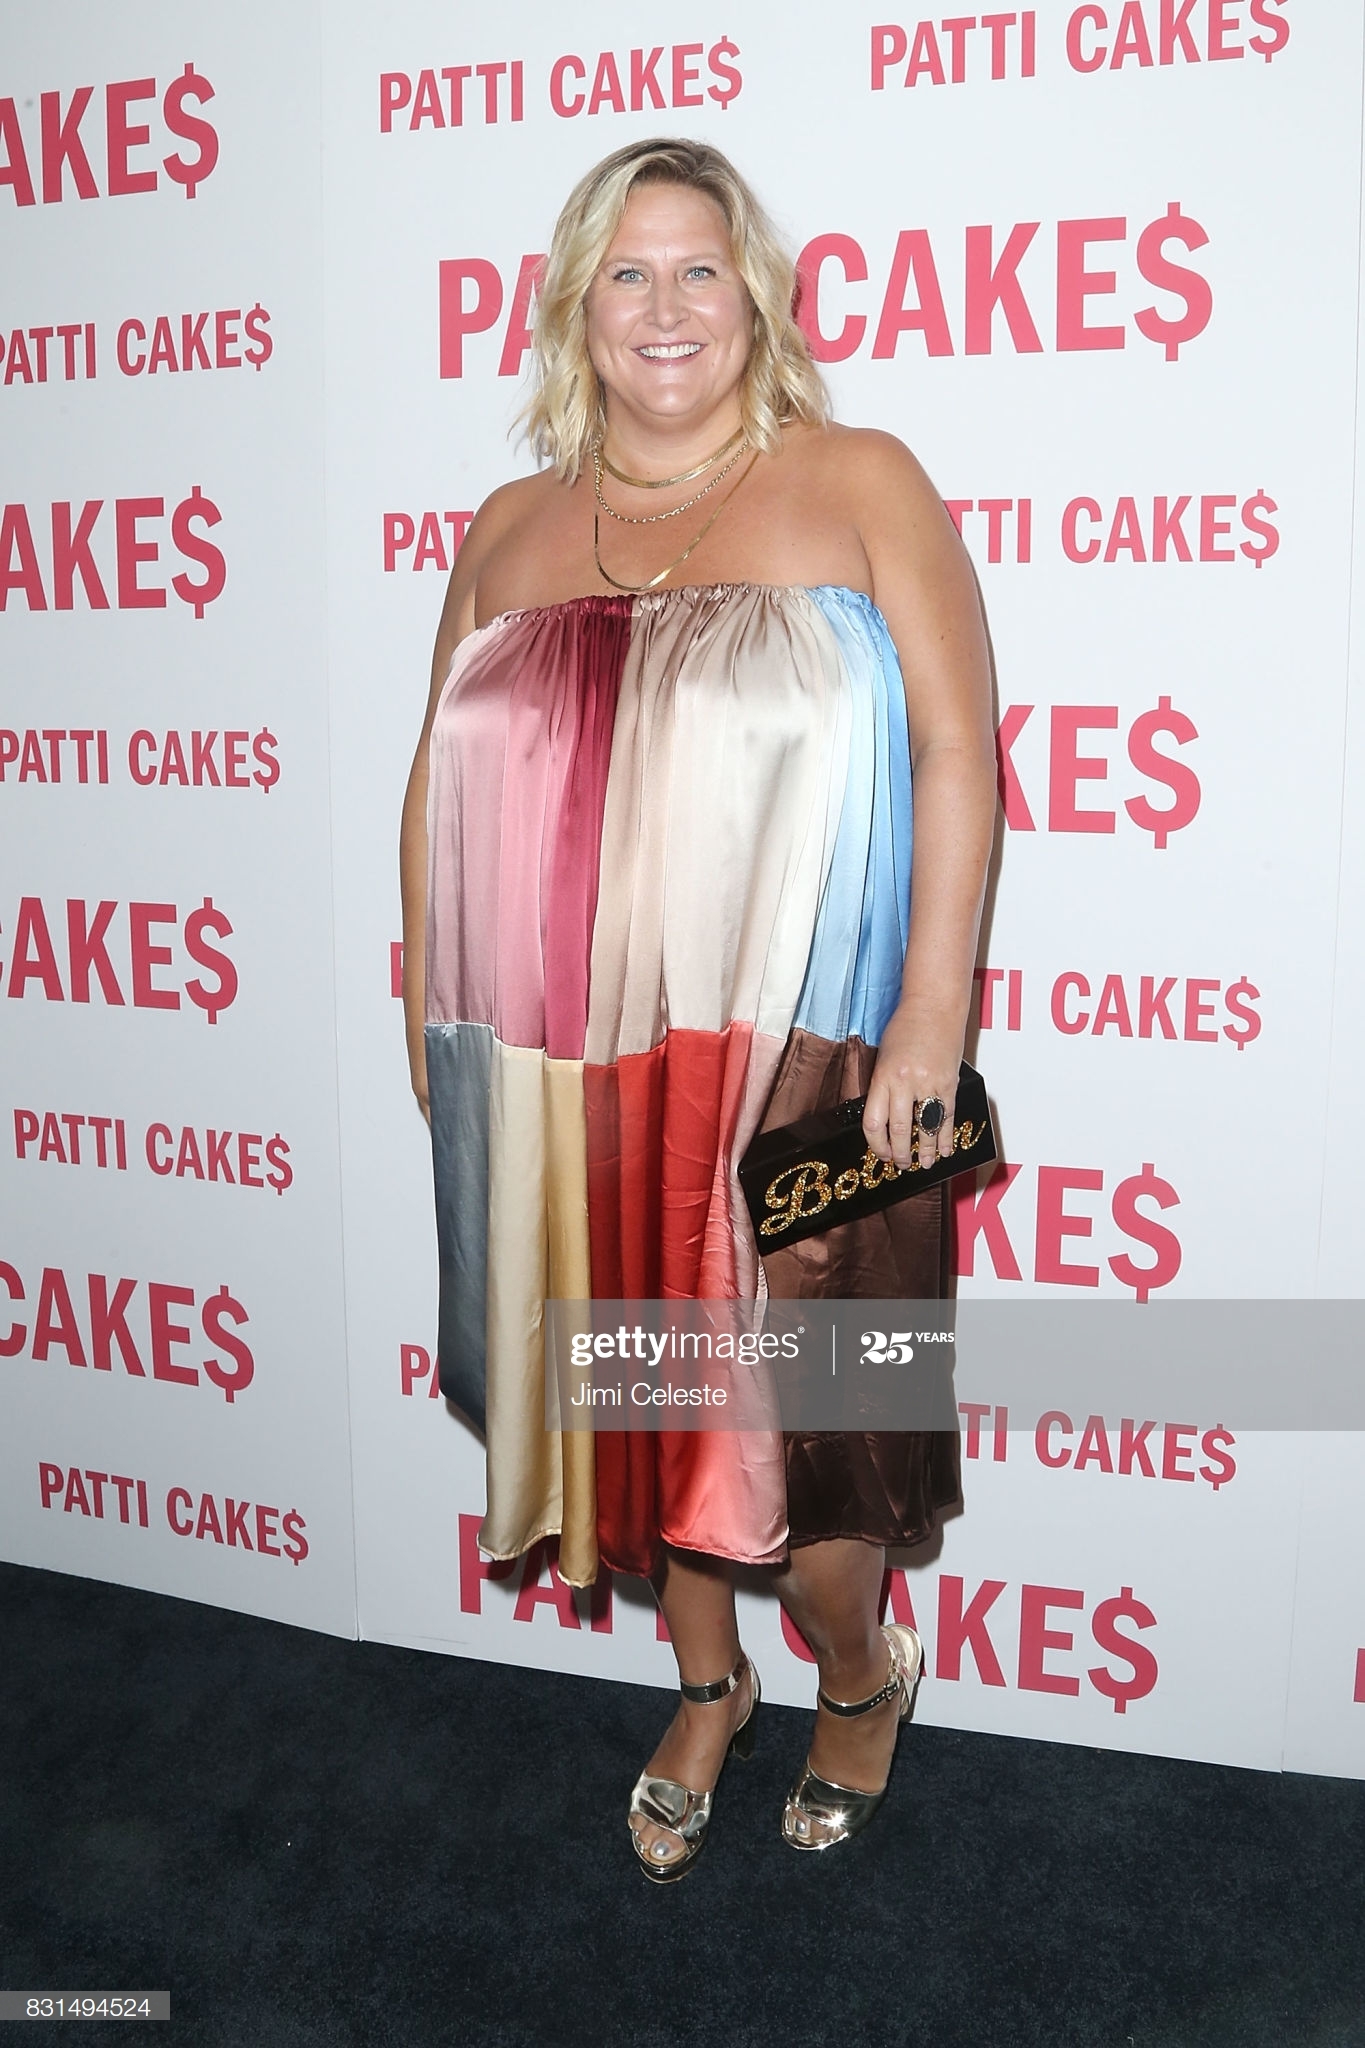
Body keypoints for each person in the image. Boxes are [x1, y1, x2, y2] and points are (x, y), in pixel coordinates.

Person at [400, 137, 995, 1881]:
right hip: (559, 1060)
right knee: (640, 1407)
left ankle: (857, 1670)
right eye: (627, 273)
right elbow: (431, 783)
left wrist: (931, 1020)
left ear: (756, 300)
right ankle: (706, 1687)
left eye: (699, 269)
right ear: (574, 309)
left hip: (819, 1054)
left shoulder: (857, 479)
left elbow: (956, 750)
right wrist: (429, 1009)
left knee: (818, 1439)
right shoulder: (508, 530)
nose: (664, 307)